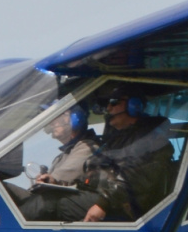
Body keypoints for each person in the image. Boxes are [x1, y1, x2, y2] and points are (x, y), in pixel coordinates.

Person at [57, 86, 175, 223]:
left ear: (134, 105)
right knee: (50, 197)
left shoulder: (151, 140)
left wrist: (103, 203)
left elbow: (133, 177)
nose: (108, 108)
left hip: (126, 206)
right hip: (105, 196)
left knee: (60, 204)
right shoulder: (116, 139)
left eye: (114, 102)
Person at [17, 105, 99, 221]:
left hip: (74, 204)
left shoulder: (88, 147)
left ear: (76, 118)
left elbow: (56, 179)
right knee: (5, 190)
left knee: (44, 201)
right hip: (52, 199)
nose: (52, 123)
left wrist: (49, 179)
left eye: (58, 116)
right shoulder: (62, 156)